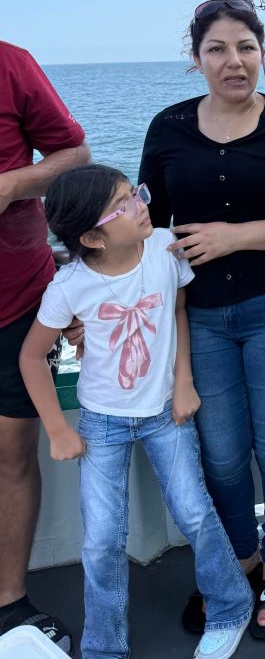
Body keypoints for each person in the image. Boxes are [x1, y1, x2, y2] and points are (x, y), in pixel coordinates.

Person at [138, 0, 265, 641]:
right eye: (218, 49)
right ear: (195, 60)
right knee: (221, 456)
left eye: (246, 47)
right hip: (200, 318)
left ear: (263, 52)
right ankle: (240, 560)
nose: (234, 61)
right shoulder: (167, 128)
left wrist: (234, 236)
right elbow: (146, 230)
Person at [19, 164, 253, 659]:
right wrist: (58, 429)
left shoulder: (166, 249)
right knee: (102, 540)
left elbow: (178, 310)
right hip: (102, 422)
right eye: (124, 204)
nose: (141, 204)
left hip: (165, 410)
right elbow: (30, 355)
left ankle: (230, 606)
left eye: (136, 193)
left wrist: (184, 382)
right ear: (91, 237)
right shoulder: (69, 287)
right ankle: (105, 647)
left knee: (194, 511)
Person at [0, 39, 90, 652]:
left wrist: (11, 184)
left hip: (15, 301)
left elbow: (74, 153)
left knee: (11, 454)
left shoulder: (10, 62)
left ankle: (9, 602)